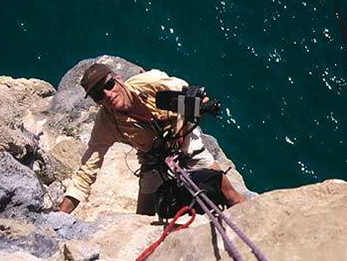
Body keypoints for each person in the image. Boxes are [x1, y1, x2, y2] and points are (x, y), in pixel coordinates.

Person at [58, 63, 245, 214]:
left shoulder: (151, 82)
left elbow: (184, 90)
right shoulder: (106, 123)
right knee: (143, 218)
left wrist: (201, 102)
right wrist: (60, 216)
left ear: (118, 79)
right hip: (154, 158)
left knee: (227, 191)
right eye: (99, 94)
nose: (108, 94)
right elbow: (86, 172)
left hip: (185, 140)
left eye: (109, 85)